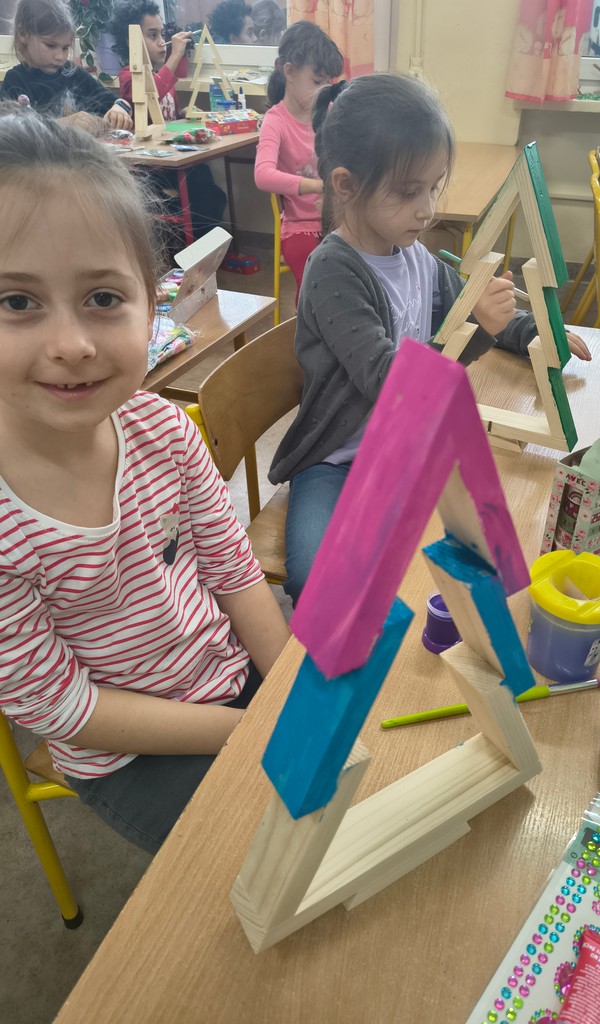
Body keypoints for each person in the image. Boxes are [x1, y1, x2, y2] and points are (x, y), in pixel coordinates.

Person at [0, 108, 290, 854]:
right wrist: (247, 730)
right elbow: (63, 708)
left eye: (103, 298)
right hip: (125, 750)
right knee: (256, 860)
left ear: (152, 304)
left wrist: (288, 690)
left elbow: (232, 570)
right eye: (16, 302)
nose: (72, 345)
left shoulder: (160, 427)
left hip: (222, 663)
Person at [268, 73, 591, 607]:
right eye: (408, 191)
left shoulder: (414, 254)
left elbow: (468, 303)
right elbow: (391, 382)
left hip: (404, 450)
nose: (427, 209)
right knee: (319, 579)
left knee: (487, 543)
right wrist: (479, 330)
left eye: (433, 187)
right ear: (345, 185)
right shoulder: (334, 272)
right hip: (337, 463)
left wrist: (534, 331)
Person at [110, 0, 227, 242]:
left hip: (173, 159)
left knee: (212, 191)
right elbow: (151, 94)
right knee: (199, 193)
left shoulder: (161, 74)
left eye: (162, 34)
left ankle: (207, 249)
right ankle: (189, 250)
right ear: (131, 41)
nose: (161, 42)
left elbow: (165, 118)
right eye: (152, 35)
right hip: (147, 168)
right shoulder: (128, 76)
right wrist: (175, 56)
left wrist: (183, 116)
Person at [253, 21, 343, 295]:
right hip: (300, 226)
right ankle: (310, 320)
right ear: (289, 71)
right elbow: (262, 175)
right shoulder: (275, 121)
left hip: (337, 219)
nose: (324, 89)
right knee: (317, 285)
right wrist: (318, 186)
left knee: (355, 270)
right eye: (317, 82)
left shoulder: (330, 111)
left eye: (328, 82)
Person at [0, 0, 132, 131]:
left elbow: (115, 102)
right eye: (50, 45)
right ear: (23, 35)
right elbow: (14, 131)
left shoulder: (73, 73)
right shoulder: (16, 80)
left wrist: (119, 108)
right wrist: (63, 124)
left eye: (65, 48)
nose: (60, 57)